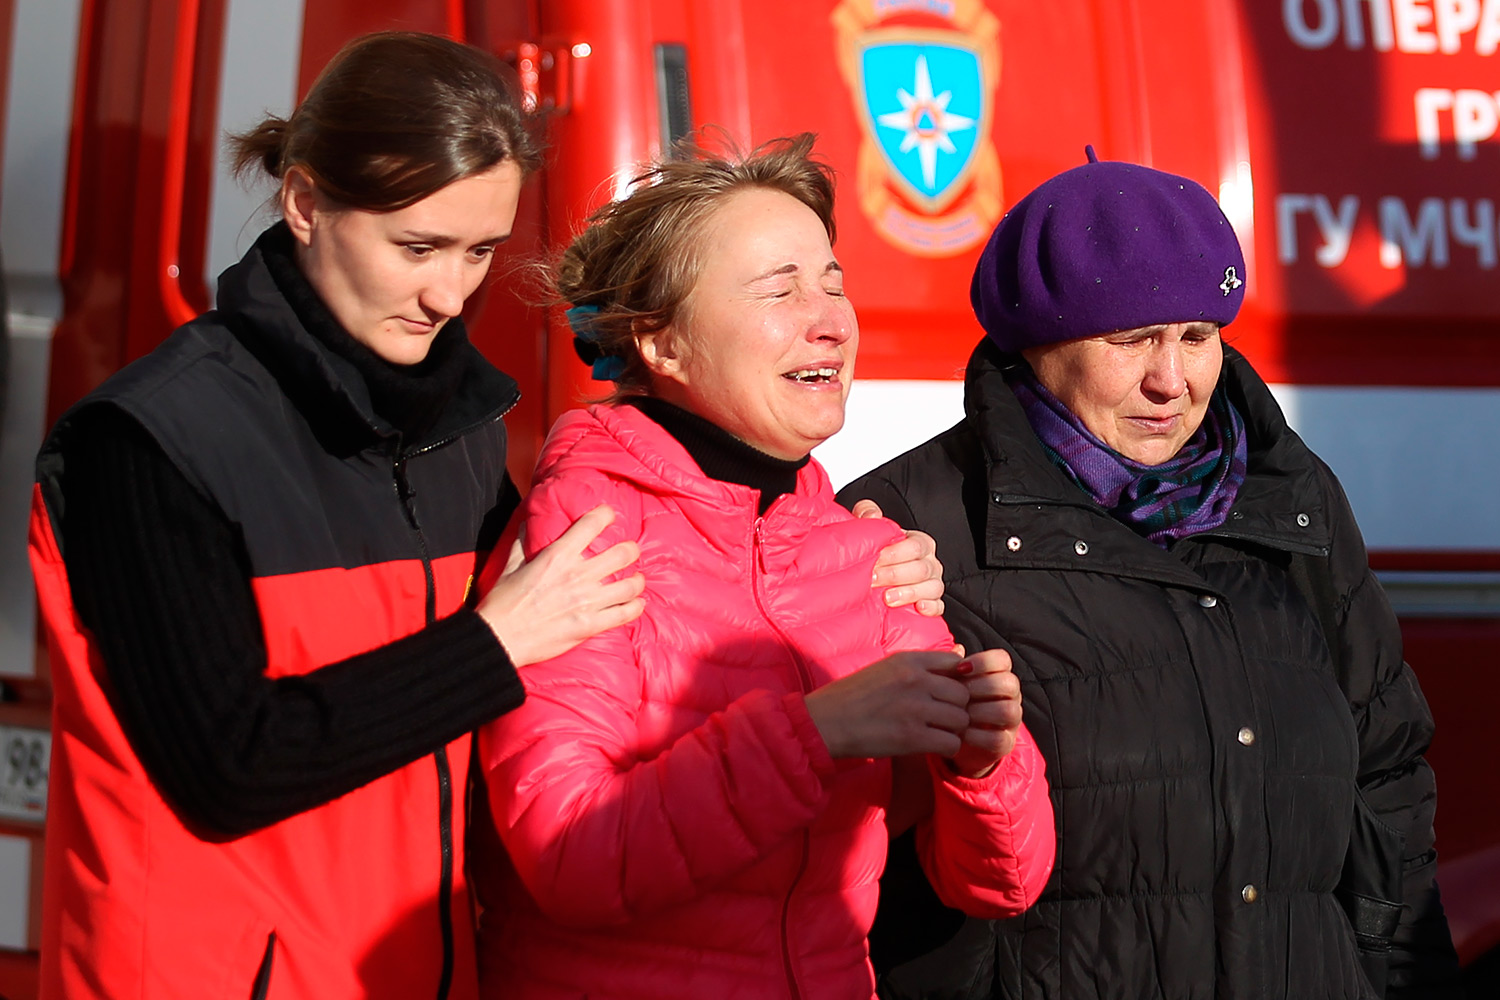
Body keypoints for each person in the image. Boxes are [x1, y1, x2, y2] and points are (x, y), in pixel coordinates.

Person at [24, 35, 945, 1000]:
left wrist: (852, 564)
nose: (448, 293)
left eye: (479, 251)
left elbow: (617, 655)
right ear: (304, 204)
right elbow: (226, 766)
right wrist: (489, 646)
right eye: (416, 247)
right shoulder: (148, 442)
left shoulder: (457, 430)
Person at [841, 149, 1464, 999]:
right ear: (1035, 346)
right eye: (1131, 339)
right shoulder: (912, 522)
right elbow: (849, 843)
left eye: (1198, 337)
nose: (1171, 381)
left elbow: (1387, 773)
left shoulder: (1291, 497)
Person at [473, 135, 1056, 1000]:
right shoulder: (586, 529)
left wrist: (982, 763)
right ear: (662, 343)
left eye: (833, 283)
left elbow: (1001, 885)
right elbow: (571, 858)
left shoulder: (867, 551)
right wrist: (815, 733)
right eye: (779, 290)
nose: (831, 320)